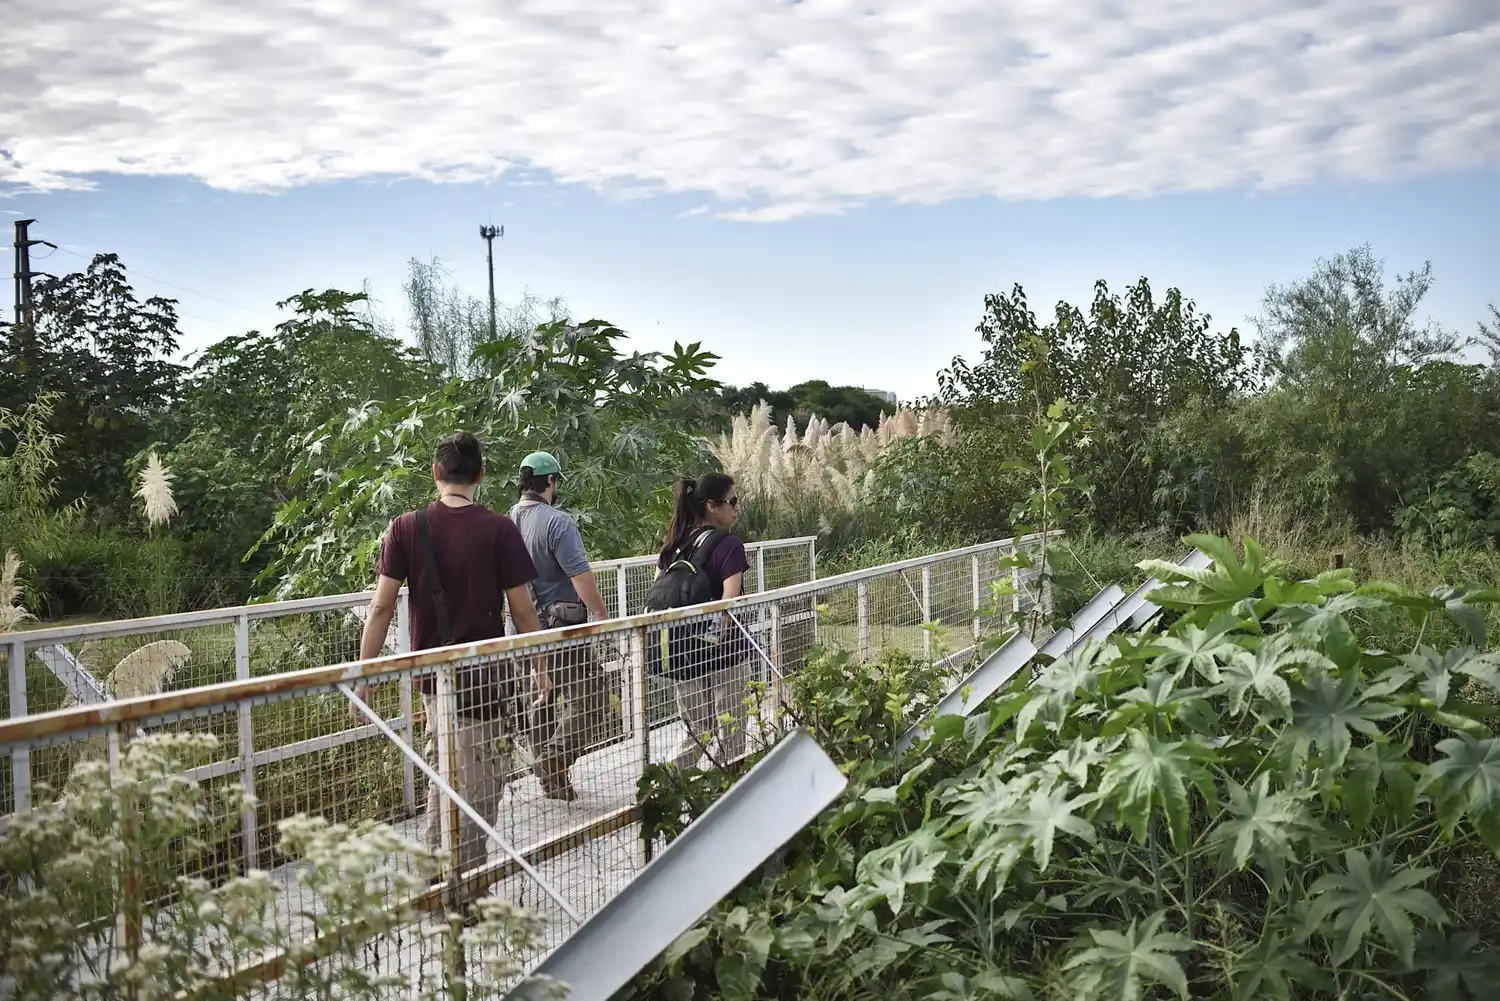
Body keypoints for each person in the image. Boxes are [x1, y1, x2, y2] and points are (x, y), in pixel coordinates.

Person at [352, 431, 550, 880]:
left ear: (436, 473)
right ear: (480, 474)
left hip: (430, 677)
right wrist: (539, 666)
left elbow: (381, 607)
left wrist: (363, 676)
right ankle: (464, 885)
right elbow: (522, 609)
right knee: (478, 782)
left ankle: (432, 873)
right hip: (483, 677)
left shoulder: (406, 527)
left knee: (445, 770)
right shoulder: (499, 528)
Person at [506, 450, 610, 801]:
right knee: (593, 700)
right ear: (551, 481)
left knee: (540, 700)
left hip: (520, 630)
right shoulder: (557, 522)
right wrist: (600, 614)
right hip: (560, 629)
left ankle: (553, 781)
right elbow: (580, 575)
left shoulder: (506, 522)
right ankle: (552, 763)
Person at [650, 472, 753, 770]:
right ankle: (725, 796)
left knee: (695, 732)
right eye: (732, 502)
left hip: (683, 656)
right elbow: (729, 602)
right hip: (724, 655)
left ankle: (667, 789)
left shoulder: (674, 544)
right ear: (711, 505)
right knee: (732, 734)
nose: (736, 508)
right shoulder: (729, 545)